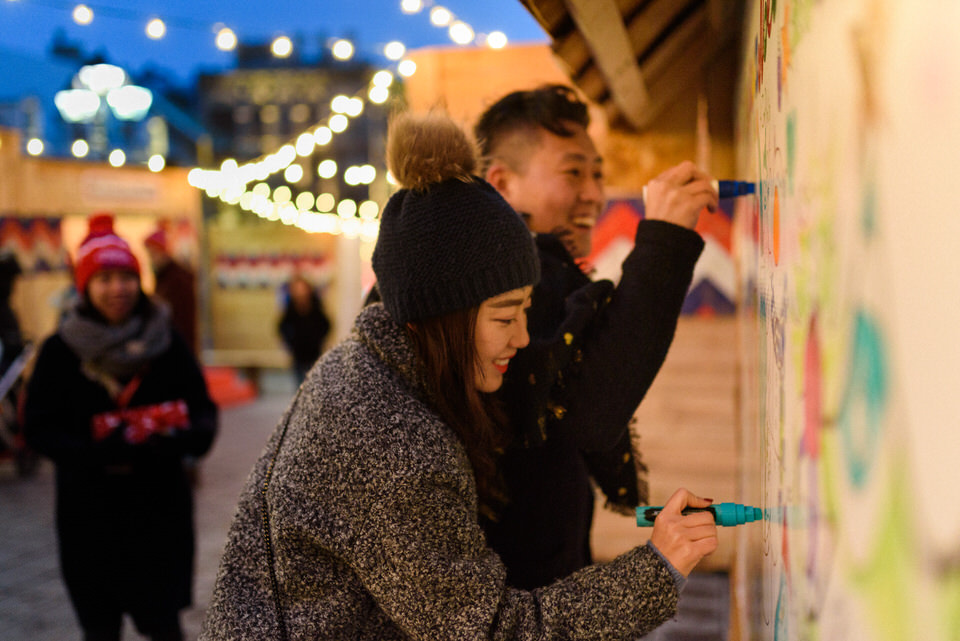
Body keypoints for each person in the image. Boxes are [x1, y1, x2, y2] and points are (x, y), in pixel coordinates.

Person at [199, 111, 718, 641]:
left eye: (525, 312)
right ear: (445, 318)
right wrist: (660, 566)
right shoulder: (393, 441)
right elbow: (490, 632)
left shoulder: (379, 370)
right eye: (504, 316)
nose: (522, 338)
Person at [473, 84, 718, 589]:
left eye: (598, 173)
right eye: (573, 172)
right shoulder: (508, 281)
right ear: (502, 183)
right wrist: (666, 240)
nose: (594, 193)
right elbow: (591, 410)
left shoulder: (519, 272)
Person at [23, 213, 218, 641]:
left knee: (164, 626)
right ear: (86, 285)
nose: (117, 289)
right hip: (89, 516)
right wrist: (91, 452)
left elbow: (203, 411)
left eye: (126, 277)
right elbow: (37, 426)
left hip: (158, 511)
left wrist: (179, 442)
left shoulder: (165, 341)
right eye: (105, 278)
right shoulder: (61, 350)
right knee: (99, 628)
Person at [144, 224, 198, 354]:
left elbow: (179, 319)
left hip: (177, 347)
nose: (151, 259)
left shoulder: (176, 279)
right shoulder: (165, 277)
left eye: (153, 254)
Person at [277, 273, 331, 385]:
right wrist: (290, 342)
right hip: (298, 355)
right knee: (299, 386)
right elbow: (282, 327)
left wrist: (318, 340)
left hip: (315, 353)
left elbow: (326, 325)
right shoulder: (290, 308)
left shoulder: (316, 306)